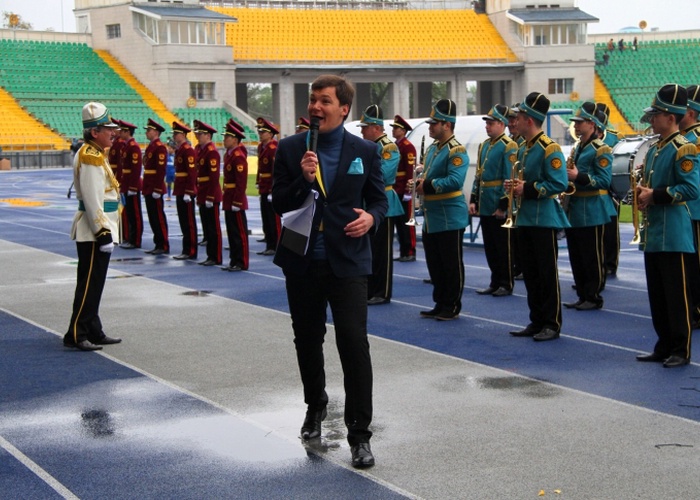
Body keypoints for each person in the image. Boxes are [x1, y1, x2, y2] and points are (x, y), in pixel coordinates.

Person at [271, 74, 387, 468]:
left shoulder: (365, 150)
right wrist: (302, 181)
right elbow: (278, 202)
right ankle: (315, 405)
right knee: (307, 340)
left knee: (353, 343)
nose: (315, 107)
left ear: (343, 109)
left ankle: (360, 434)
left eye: (324, 101)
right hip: (301, 259)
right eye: (313, 100)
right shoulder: (290, 148)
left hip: (348, 261)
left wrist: (371, 218)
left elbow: (379, 201)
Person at [635, 84, 699, 368]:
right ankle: (663, 345)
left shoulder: (683, 148)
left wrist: (655, 195)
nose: (651, 119)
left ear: (671, 117)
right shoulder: (655, 149)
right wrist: (642, 194)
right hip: (655, 231)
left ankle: (680, 349)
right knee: (658, 294)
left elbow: (691, 188)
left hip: (673, 231)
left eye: (656, 114)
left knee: (676, 295)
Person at [506, 92, 569, 341]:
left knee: (546, 274)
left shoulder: (549, 148)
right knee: (531, 274)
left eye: (519, 117)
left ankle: (551, 323)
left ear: (529, 120)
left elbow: (559, 183)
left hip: (543, 219)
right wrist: (514, 187)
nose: (515, 122)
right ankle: (536, 320)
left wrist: (527, 189)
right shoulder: (523, 147)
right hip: (524, 217)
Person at [63, 102, 122, 351]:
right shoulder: (90, 156)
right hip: (93, 231)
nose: (113, 132)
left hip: (98, 228)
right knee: (88, 284)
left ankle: (93, 329)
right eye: (108, 129)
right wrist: (103, 232)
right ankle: (77, 333)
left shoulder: (96, 153)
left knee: (95, 284)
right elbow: (92, 198)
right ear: (95, 132)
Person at [412, 99, 469, 321]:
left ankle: (452, 304)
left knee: (451, 264)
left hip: (449, 215)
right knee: (435, 264)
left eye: (434, 123)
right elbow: (428, 177)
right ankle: (440, 302)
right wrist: (418, 183)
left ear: (447, 124)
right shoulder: (434, 149)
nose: (430, 126)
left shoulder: (457, 150)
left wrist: (426, 185)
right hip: (432, 216)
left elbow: (455, 181)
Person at [563, 102, 613, 311]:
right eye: (575, 123)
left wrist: (578, 176)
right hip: (575, 209)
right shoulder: (577, 147)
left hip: (592, 209)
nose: (576, 126)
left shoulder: (601, 149)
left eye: (580, 122)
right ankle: (582, 294)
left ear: (592, 124)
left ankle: (593, 296)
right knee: (576, 256)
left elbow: (604, 180)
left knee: (591, 257)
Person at [469, 104, 517, 297]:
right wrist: (474, 199)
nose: (487, 126)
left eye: (491, 123)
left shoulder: (509, 145)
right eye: (487, 123)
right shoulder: (484, 145)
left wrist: (503, 205)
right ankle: (495, 280)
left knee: (502, 246)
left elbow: (510, 176)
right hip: (485, 201)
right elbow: (478, 175)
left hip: (498, 201)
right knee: (489, 245)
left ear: (502, 124)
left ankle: (506, 282)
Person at [359, 104, 403, 305]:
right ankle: (370, 289)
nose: (362, 131)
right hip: (367, 202)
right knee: (369, 251)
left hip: (384, 202)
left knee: (381, 252)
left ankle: (382, 291)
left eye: (365, 127)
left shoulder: (388, 147)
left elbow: (383, 175)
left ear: (376, 127)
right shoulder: (366, 146)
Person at [679, 84, 700, 328]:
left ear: (691, 112)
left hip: (695, 209)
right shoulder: (684, 139)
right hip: (689, 210)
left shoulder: (694, 139)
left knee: (696, 265)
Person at [595, 103, 622, 277]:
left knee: (611, 230)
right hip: (595, 191)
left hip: (612, 189)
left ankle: (611, 263)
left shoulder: (615, 137)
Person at [221, 120, 250, 272]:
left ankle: (241, 262)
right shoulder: (229, 155)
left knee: (239, 233)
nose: (224, 139)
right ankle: (234, 260)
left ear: (235, 139)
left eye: (227, 137)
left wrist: (237, 201)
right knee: (232, 232)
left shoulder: (238, 156)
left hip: (235, 199)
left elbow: (241, 181)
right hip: (229, 197)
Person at [193, 120, 222, 266]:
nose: (198, 136)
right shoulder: (201, 150)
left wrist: (210, 196)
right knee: (207, 227)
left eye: (201, 134)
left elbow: (214, 177)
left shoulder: (212, 152)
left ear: (208, 136)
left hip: (210, 193)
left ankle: (215, 256)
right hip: (203, 191)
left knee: (213, 228)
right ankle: (210, 255)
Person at [391, 114, 417, 262]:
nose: (393, 130)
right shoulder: (395, 146)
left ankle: (410, 251)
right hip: (396, 189)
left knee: (407, 222)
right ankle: (403, 251)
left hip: (403, 189)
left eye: (396, 128)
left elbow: (410, 170)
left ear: (403, 131)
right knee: (399, 223)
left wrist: (408, 191)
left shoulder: (407, 147)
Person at [142, 118, 170, 255]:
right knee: (153, 217)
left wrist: (158, 188)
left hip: (155, 186)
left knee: (158, 217)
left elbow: (161, 169)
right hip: (149, 185)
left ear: (156, 132)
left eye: (149, 130)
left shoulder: (159, 147)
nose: (146, 132)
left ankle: (163, 244)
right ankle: (158, 243)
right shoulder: (151, 146)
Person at [171, 121, 198, 261]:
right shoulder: (180, 149)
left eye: (176, 134)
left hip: (185, 190)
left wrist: (189, 191)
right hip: (180, 188)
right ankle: (186, 249)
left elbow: (192, 172)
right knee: (183, 221)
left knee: (189, 222)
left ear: (183, 135)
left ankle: (191, 250)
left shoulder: (188, 150)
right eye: (174, 134)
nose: (174, 136)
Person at [256, 117, 280, 256]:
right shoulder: (261, 147)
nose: (260, 134)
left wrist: (272, 189)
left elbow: (275, 170)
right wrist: (258, 181)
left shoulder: (273, 148)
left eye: (263, 132)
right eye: (259, 131)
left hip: (270, 186)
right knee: (265, 216)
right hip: (263, 185)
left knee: (272, 218)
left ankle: (275, 244)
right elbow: (260, 167)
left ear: (270, 134)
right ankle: (269, 242)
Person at [118, 120, 143, 249]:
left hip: (132, 185)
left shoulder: (133, 147)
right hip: (127, 183)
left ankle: (136, 240)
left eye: (122, 131)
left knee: (135, 214)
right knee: (130, 213)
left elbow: (136, 168)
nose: (120, 133)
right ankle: (132, 239)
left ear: (127, 132)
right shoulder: (127, 146)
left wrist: (132, 187)